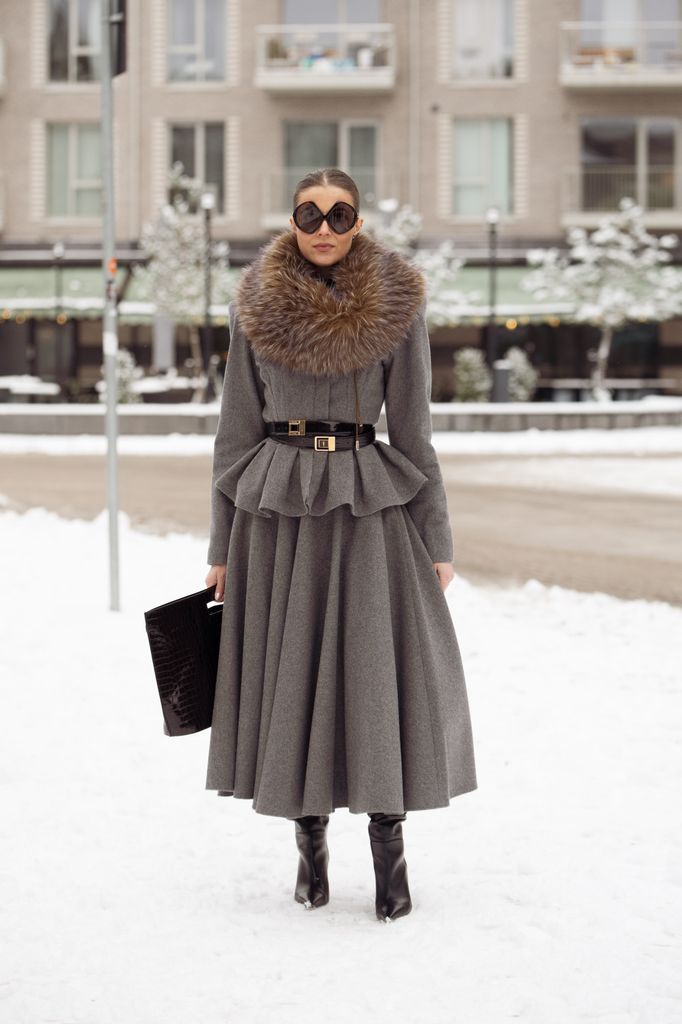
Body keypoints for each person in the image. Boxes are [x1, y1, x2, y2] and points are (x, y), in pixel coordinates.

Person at [204, 167, 477, 923]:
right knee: (292, 676)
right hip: (275, 517)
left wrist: (437, 537)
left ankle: (390, 852)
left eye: (340, 213)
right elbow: (233, 438)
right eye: (309, 212)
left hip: (366, 511)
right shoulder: (253, 307)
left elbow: (414, 433)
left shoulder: (396, 306)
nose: (324, 227)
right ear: (291, 219)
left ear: (359, 221)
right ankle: (310, 849)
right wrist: (221, 542)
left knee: (373, 676)